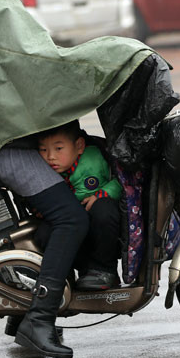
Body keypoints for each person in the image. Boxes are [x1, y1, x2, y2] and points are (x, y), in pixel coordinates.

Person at [0, 0, 154, 358]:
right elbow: (47, 66)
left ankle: (23, 310)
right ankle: (39, 321)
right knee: (72, 219)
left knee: (56, 219)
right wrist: (117, 55)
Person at [37, 121, 122, 290]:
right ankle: (64, 276)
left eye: (58, 149)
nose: (50, 156)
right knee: (43, 234)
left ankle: (104, 271)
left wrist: (101, 194)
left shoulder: (96, 160)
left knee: (103, 210)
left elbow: (122, 182)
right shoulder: (43, 170)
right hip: (71, 226)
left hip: (102, 227)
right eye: (43, 150)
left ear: (79, 146)